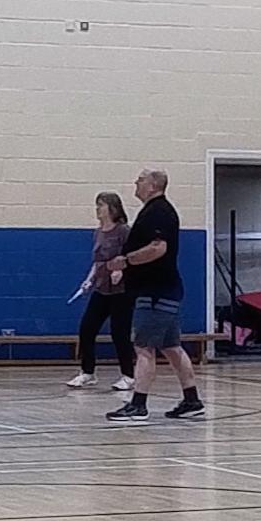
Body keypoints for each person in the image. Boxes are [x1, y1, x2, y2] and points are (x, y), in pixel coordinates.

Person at [102, 168, 201, 423]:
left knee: (143, 347)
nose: (136, 182)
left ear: (154, 185)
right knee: (171, 347)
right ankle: (192, 400)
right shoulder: (153, 210)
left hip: (157, 292)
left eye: (141, 179)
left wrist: (126, 261)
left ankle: (138, 405)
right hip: (164, 290)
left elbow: (158, 248)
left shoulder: (159, 212)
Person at [66, 190, 133, 392]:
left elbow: (131, 256)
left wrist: (122, 270)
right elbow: (97, 262)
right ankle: (88, 372)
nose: (97, 209)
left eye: (101, 205)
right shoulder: (98, 232)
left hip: (121, 290)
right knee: (87, 328)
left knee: (119, 333)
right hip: (101, 287)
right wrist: (88, 280)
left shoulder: (123, 231)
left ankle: (129, 376)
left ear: (112, 208)